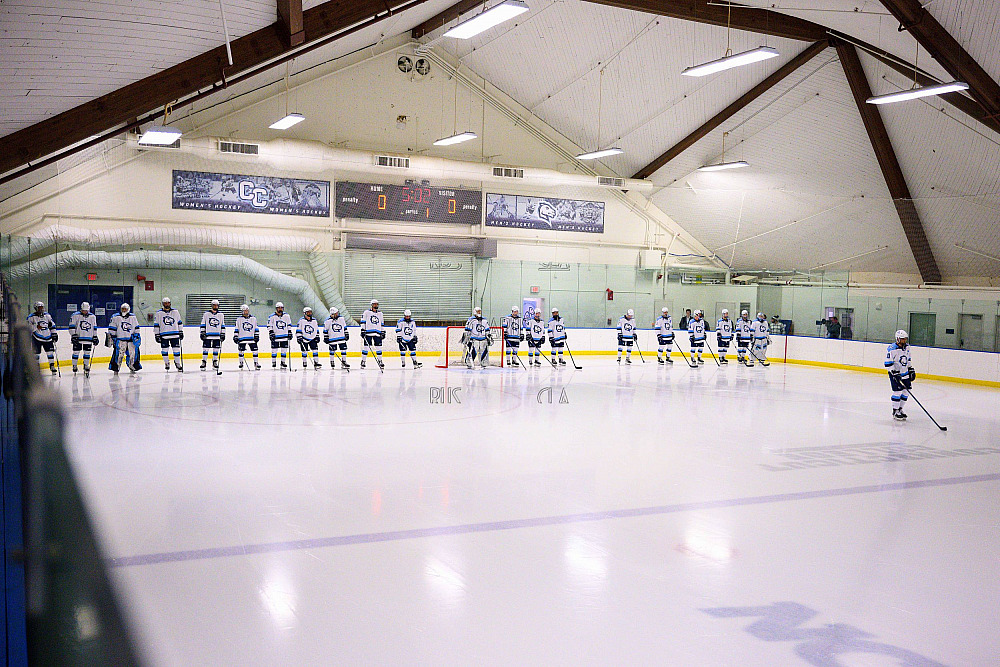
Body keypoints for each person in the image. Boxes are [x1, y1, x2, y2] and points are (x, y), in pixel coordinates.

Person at [885, 330, 916, 421]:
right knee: (897, 392)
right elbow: (887, 363)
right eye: (902, 339)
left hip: (905, 373)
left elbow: (908, 359)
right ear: (898, 339)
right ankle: (895, 411)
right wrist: (894, 372)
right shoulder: (892, 349)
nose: (904, 341)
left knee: (907, 391)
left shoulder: (907, 347)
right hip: (895, 374)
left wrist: (911, 369)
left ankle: (900, 409)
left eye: (905, 339)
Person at [107, 303, 141, 374]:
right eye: (123, 309)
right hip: (120, 339)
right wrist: (113, 338)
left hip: (131, 340)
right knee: (119, 355)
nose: (124, 310)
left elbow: (136, 328)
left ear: (128, 309)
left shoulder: (133, 317)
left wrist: (136, 336)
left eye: (125, 309)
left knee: (133, 354)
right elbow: (112, 328)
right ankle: (116, 368)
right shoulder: (115, 317)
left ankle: (132, 366)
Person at [154, 297, 184, 372]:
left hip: (175, 334)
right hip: (164, 335)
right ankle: (166, 363)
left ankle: (177, 363)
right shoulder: (159, 313)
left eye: (168, 303)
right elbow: (156, 324)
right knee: (164, 350)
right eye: (165, 303)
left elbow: (179, 322)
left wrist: (181, 331)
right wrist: (157, 334)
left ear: (170, 303)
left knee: (176, 350)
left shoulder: (175, 312)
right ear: (163, 304)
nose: (167, 304)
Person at [28, 301, 58, 374]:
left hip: (48, 337)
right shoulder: (31, 317)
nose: (41, 309)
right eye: (39, 308)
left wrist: (54, 334)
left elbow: (52, 325)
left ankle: (52, 366)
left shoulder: (47, 315)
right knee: (36, 353)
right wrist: (35, 327)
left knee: (50, 352)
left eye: (42, 307)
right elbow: (28, 327)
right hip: (36, 337)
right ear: (36, 308)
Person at [69, 302, 98, 377]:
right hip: (78, 338)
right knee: (76, 352)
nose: (85, 312)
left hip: (88, 337)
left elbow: (94, 327)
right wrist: (73, 335)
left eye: (86, 310)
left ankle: (86, 365)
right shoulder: (75, 315)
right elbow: (71, 326)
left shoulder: (92, 317)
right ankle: (74, 366)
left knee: (87, 353)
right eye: (83, 310)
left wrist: (95, 336)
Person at [200, 299, 225, 374]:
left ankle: (214, 362)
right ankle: (204, 362)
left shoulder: (221, 315)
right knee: (205, 348)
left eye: (217, 305)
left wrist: (223, 334)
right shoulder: (206, 314)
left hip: (217, 335)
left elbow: (222, 325)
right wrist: (202, 332)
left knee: (216, 349)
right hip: (208, 335)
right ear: (211, 305)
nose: (215, 306)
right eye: (214, 305)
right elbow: (203, 323)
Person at [234, 304, 261, 370]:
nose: (246, 312)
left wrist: (256, 335)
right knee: (241, 351)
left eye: (247, 310)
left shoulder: (253, 318)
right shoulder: (239, 319)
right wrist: (235, 336)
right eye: (244, 311)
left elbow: (256, 328)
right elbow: (236, 328)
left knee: (255, 350)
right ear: (242, 311)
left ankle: (256, 363)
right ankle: (241, 363)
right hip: (242, 338)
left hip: (251, 338)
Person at [361, 299, 385, 369]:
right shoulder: (366, 312)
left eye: (377, 304)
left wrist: (383, 331)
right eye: (374, 304)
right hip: (368, 333)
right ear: (371, 305)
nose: (376, 305)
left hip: (377, 333)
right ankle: (363, 361)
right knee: (366, 347)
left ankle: (380, 361)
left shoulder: (380, 313)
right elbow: (363, 322)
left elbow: (382, 323)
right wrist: (363, 330)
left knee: (379, 348)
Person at [267, 302, 292, 369]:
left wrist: (289, 332)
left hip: (284, 336)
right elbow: (269, 325)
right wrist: (271, 332)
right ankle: (274, 362)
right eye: (279, 308)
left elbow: (289, 324)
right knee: (274, 350)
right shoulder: (272, 316)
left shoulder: (287, 316)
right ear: (276, 308)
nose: (280, 309)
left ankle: (283, 363)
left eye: (281, 308)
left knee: (284, 350)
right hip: (276, 336)